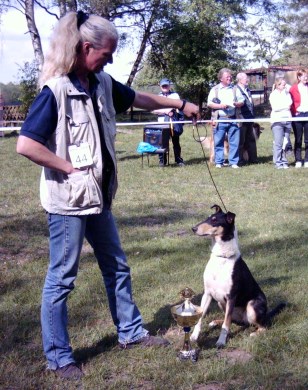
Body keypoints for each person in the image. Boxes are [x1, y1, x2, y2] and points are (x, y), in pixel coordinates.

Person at [16, 11, 199, 380]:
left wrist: (178, 104)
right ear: (85, 48)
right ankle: (59, 357)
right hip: (68, 203)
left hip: (99, 198)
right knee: (62, 279)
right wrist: (68, 168)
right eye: (107, 53)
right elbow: (26, 144)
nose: (111, 60)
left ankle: (131, 333)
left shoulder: (101, 82)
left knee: (116, 266)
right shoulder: (55, 91)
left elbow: (140, 99)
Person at [207, 68, 244, 168]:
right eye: (227, 77)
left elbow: (242, 101)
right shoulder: (214, 90)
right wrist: (220, 106)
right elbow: (209, 103)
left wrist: (238, 103)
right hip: (220, 119)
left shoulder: (235, 89)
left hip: (233, 118)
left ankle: (233, 162)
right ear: (221, 79)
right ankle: (219, 162)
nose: (230, 78)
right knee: (218, 141)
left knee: (234, 142)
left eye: (230, 76)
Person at [152, 78, 185, 166]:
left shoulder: (175, 95)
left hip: (173, 122)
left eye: (166, 85)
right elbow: (154, 110)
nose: (165, 87)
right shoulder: (157, 97)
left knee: (176, 142)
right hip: (162, 123)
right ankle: (162, 161)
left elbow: (177, 105)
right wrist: (165, 112)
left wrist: (170, 109)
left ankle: (178, 160)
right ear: (160, 86)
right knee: (162, 143)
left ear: (169, 86)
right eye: (163, 86)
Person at [269, 77, 292, 169]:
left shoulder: (287, 93)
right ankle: (278, 162)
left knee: (285, 143)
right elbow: (275, 107)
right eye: (283, 84)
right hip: (277, 121)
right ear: (278, 85)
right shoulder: (273, 95)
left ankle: (284, 161)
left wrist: (285, 106)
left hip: (287, 120)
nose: (285, 86)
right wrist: (285, 106)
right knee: (278, 143)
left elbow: (290, 103)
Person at [235, 72, 258, 165]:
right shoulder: (235, 89)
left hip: (250, 118)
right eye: (245, 78)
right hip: (241, 118)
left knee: (251, 139)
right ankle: (240, 160)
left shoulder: (247, 90)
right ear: (240, 80)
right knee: (240, 140)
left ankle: (253, 159)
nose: (247, 80)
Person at [289, 69, 308, 168]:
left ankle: (307, 159)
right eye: (304, 76)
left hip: (307, 114)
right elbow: (289, 101)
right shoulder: (293, 88)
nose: (306, 78)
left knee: (307, 140)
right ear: (299, 77)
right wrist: (294, 111)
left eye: (307, 76)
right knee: (298, 139)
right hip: (298, 115)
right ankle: (298, 160)